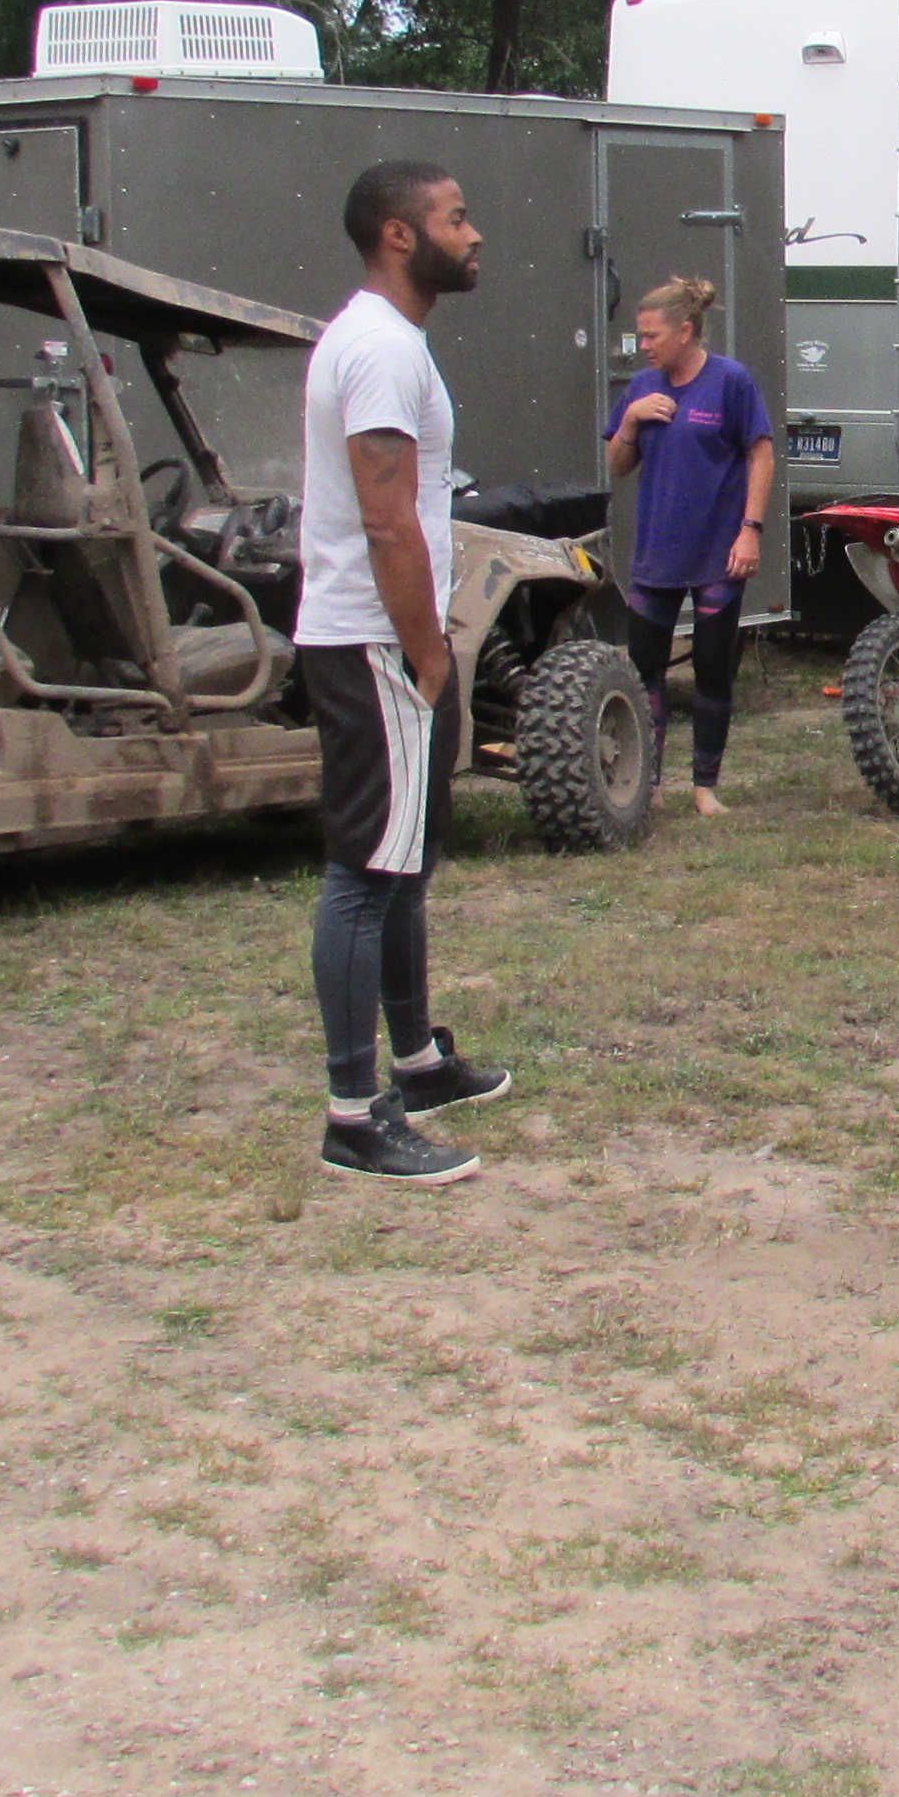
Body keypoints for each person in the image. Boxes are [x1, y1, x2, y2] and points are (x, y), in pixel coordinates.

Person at [297, 161, 518, 1187]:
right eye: (456, 218)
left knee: (406, 861)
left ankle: (418, 1063)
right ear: (398, 236)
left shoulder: (389, 343)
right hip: (376, 639)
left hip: (392, 636)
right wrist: (428, 652)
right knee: (366, 874)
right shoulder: (379, 350)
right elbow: (386, 517)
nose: (473, 236)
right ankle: (353, 1114)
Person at [603, 276, 777, 817]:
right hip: (657, 552)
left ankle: (704, 787)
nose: (644, 346)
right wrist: (629, 421)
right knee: (645, 670)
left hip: (717, 555)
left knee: (710, 670)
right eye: (641, 336)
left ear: (685, 330)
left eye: (652, 336)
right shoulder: (640, 388)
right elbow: (618, 465)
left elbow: (761, 456)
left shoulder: (731, 382)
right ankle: (648, 785)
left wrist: (750, 529)